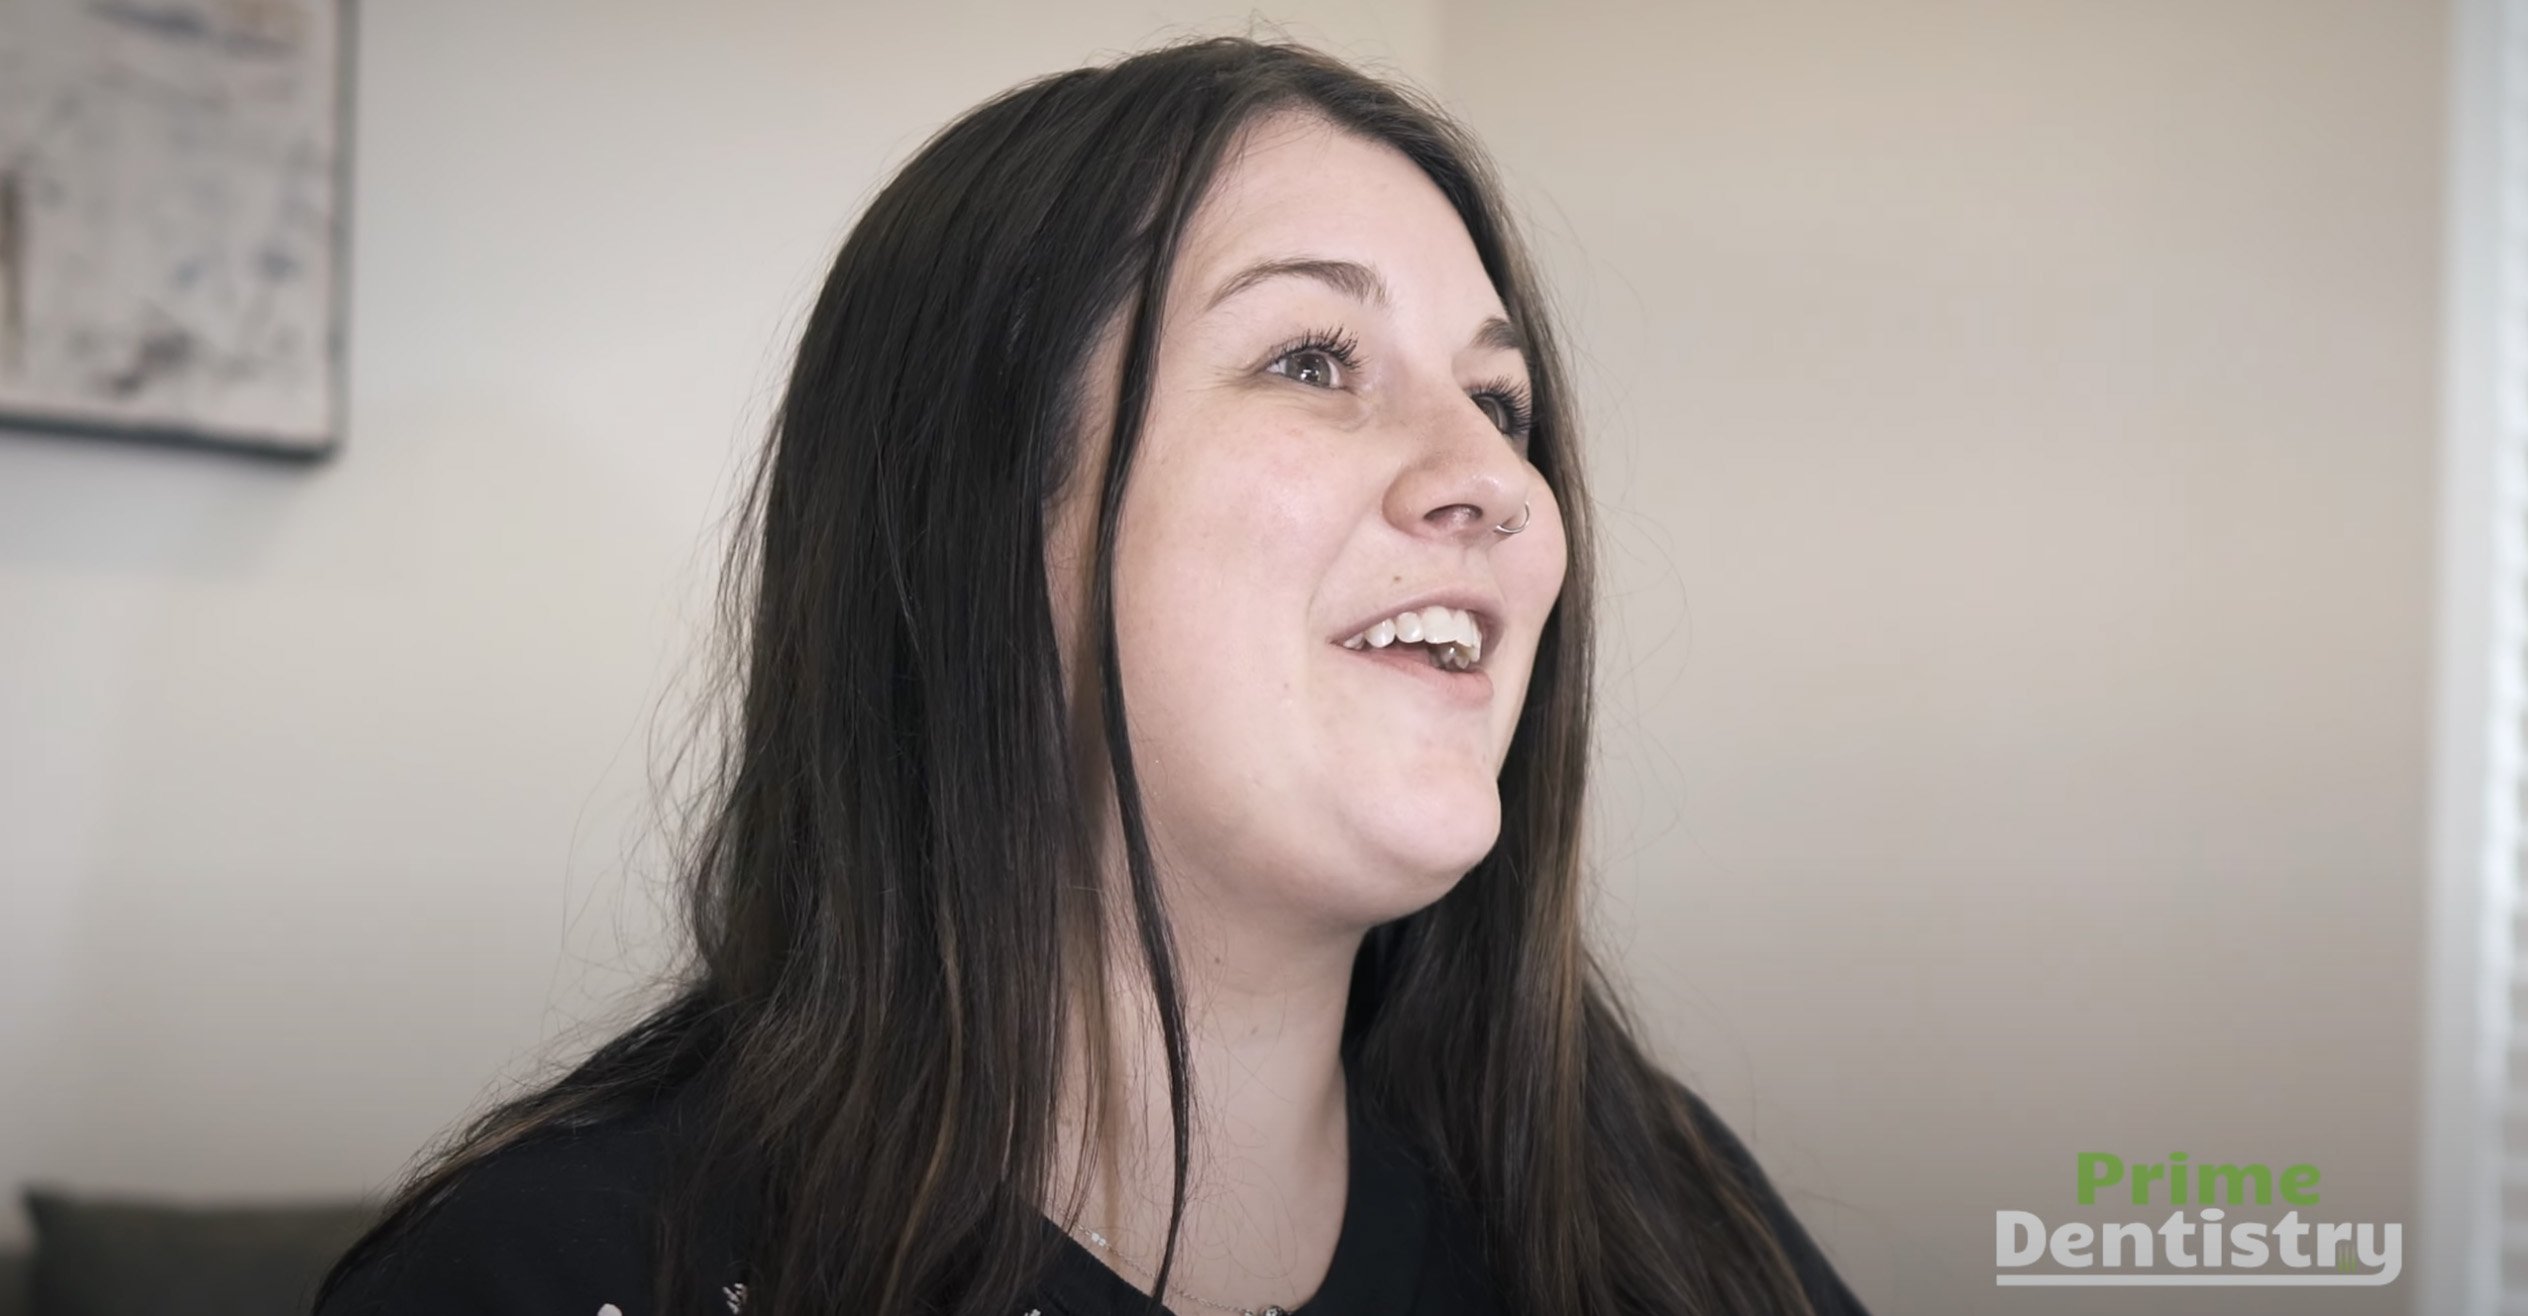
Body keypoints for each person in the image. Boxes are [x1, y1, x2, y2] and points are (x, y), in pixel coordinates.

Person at [314, 36, 1871, 1316]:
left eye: (1501, 399)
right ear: (979, 521)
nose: (1499, 483)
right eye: (1314, 360)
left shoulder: (1659, 1213)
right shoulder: (557, 1273)